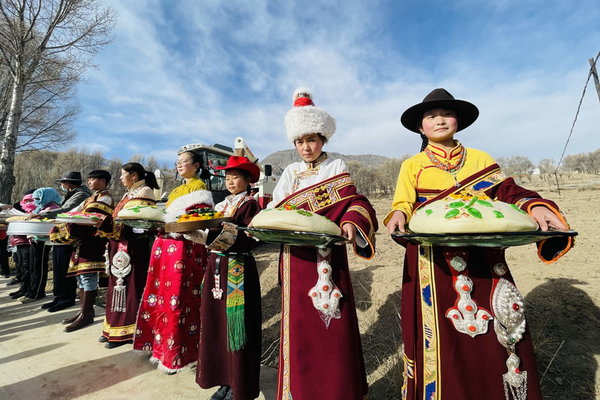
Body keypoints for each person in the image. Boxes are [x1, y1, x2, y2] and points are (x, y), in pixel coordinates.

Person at [384, 88, 574, 400]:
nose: (440, 120)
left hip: (485, 262)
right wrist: (398, 216)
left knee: (499, 336)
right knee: (444, 344)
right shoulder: (413, 165)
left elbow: (508, 193)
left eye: (446, 114)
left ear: (458, 121)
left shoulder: (480, 160)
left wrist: (536, 207)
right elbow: (402, 204)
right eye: (431, 116)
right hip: (433, 266)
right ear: (421, 127)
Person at [268, 88, 378, 400]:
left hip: (330, 256)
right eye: (300, 142)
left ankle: (340, 390)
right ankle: (299, 391)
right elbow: (278, 210)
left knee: (335, 324)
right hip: (295, 257)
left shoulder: (336, 167)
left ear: (323, 140)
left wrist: (349, 222)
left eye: (312, 140)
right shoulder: (290, 172)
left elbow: (352, 203)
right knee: (300, 325)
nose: (306, 147)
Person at [186, 156, 262, 400]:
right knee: (217, 325)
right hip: (216, 267)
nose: (230, 182)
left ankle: (239, 384)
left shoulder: (250, 206)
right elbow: (211, 230)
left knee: (237, 326)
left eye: (235, 177)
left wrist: (206, 237)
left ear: (248, 180)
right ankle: (224, 380)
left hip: (238, 268)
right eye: (227, 178)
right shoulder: (221, 205)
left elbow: (246, 238)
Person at [133, 150, 213, 373]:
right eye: (177, 162)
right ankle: (160, 346)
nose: (179, 165)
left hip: (183, 248)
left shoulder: (199, 188)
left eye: (184, 161)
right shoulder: (176, 190)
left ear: (196, 165)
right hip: (166, 247)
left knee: (180, 298)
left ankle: (180, 352)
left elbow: (197, 220)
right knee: (162, 296)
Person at [99, 163, 159, 349]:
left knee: (130, 286)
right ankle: (113, 327)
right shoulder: (129, 194)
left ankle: (130, 330)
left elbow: (142, 224)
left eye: (122, 175)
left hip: (134, 248)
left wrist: (112, 225)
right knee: (117, 286)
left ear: (133, 175)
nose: (120, 178)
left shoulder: (145, 191)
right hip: (120, 245)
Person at [52, 170, 115, 332]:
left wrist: (69, 222)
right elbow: (73, 213)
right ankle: (83, 311)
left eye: (92, 179)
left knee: (88, 277)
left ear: (103, 181)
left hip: (94, 243)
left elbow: (89, 218)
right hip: (83, 242)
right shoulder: (90, 198)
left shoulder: (105, 198)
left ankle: (87, 314)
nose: (89, 182)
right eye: (89, 179)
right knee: (81, 277)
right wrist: (57, 218)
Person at [38, 171, 91, 312]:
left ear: (69, 183)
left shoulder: (81, 195)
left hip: (69, 237)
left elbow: (67, 210)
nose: (62, 185)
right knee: (58, 269)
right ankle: (59, 296)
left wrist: (44, 214)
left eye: (63, 182)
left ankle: (66, 298)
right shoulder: (73, 194)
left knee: (64, 269)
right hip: (62, 236)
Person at [19, 187, 62, 303]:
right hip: (34, 239)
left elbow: (51, 225)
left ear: (46, 197)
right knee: (32, 267)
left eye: (38, 198)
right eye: (35, 198)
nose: (36, 201)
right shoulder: (40, 207)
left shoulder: (54, 208)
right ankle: (31, 291)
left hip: (43, 240)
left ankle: (38, 292)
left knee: (39, 267)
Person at [7, 191, 36, 299]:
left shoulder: (34, 208)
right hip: (18, 239)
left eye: (29, 200)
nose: (27, 202)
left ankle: (26, 289)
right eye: (25, 200)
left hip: (26, 241)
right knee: (21, 266)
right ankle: (23, 288)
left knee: (27, 266)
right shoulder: (20, 206)